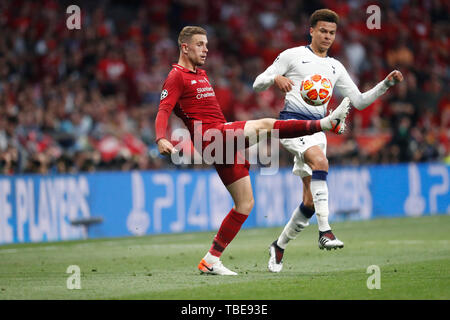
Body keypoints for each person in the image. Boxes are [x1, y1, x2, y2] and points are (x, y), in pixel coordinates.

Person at [155, 26, 351, 275]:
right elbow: (163, 109)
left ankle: (211, 259)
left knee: (245, 203)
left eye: (206, 44)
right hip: (211, 136)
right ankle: (324, 124)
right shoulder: (177, 76)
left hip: (220, 141)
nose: (206, 49)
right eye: (200, 45)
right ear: (185, 47)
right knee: (267, 125)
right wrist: (161, 137)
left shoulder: (201, 75)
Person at [252, 9, 404, 273]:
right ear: (311, 30)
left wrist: (386, 84)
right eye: (322, 31)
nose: (327, 36)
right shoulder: (293, 55)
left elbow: (358, 101)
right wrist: (274, 78)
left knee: (309, 202)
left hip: (318, 130)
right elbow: (257, 83)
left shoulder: (335, 67)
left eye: (331, 33)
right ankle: (326, 231)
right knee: (321, 160)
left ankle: (278, 246)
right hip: (291, 124)